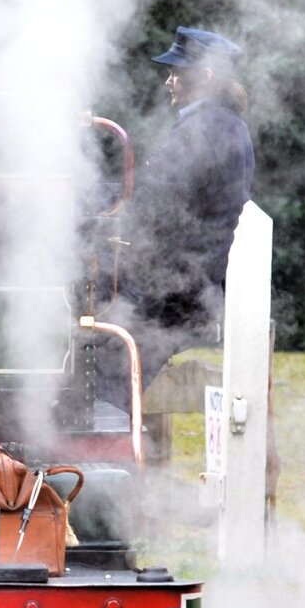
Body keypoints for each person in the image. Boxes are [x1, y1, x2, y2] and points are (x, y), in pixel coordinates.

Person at [107, 26, 254, 395]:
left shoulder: (203, 132)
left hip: (171, 294)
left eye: (175, 73)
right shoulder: (223, 126)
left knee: (107, 378)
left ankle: (109, 427)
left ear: (206, 77)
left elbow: (154, 208)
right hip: (186, 286)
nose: (168, 82)